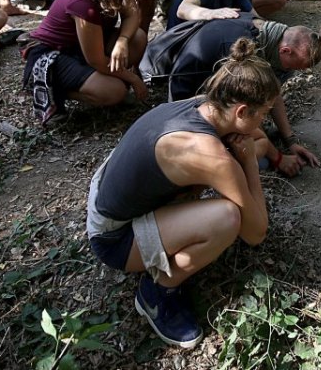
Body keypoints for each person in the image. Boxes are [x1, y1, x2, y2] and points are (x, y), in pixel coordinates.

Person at [87, 39, 275, 348]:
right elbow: (256, 232)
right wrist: (249, 162)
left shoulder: (206, 104)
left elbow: (257, 136)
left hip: (105, 194)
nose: (262, 122)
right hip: (113, 238)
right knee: (227, 218)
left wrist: (257, 148)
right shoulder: (210, 154)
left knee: (228, 183)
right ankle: (156, 292)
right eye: (263, 114)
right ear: (241, 110)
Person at [140, 16, 321, 174]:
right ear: (285, 51)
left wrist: (290, 140)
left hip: (213, 95)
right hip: (186, 105)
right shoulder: (242, 57)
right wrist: (278, 158)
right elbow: (241, 114)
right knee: (258, 159)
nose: (292, 72)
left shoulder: (264, 34)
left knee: (258, 140)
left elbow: (272, 93)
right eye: (293, 66)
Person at [22, 0, 149, 125]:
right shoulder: (82, 3)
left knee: (136, 38)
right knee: (116, 91)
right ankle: (54, 89)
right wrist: (133, 79)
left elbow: (132, 15)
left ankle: (95, 80)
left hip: (82, 49)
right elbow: (95, 60)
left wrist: (122, 40)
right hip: (53, 55)